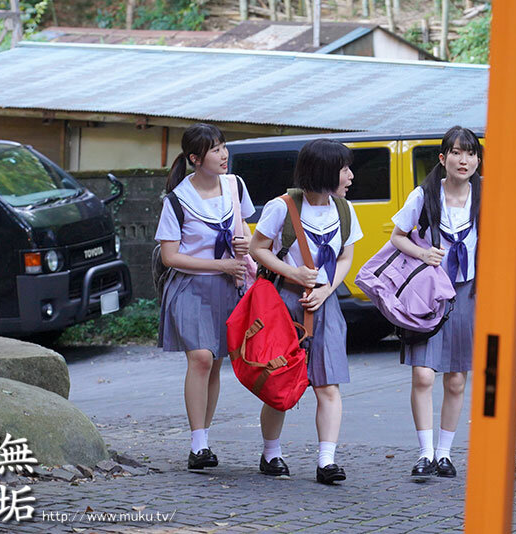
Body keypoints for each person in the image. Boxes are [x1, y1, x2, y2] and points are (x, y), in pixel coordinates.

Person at [250, 138, 363, 484]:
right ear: (323, 171)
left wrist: (327, 290)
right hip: (285, 303)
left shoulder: (344, 209)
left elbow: (346, 256)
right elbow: (257, 248)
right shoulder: (282, 206)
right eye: (344, 169)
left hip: (325, 305)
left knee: (328, 384)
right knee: (279, 383)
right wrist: (294, 273)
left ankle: (327, 462)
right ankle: (271, 454)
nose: (351, 176)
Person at [155, 123, 254, 470]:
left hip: (228, 286)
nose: (224, 154)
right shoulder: (177, 200)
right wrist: (220, 265)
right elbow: (170, 257)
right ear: (195, 159)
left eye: (224, 146)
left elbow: (246, 232)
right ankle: (197, 445)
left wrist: (245, 244)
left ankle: (204, 439)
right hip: (190, 286)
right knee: (200, 358)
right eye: (215, 150)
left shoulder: (235, 185)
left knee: (215, 362)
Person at [390, 126, 482, 480]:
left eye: (470, 153)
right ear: (443, 158)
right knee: (424, 375)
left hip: (468, 292)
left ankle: (444, 453)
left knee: (456, 379)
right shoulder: (425, 194)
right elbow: (398, 236)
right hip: (429, 294)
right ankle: (425, 452)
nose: (464, 160)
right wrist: (423, 253)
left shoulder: (485, 195)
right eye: (456, 153)